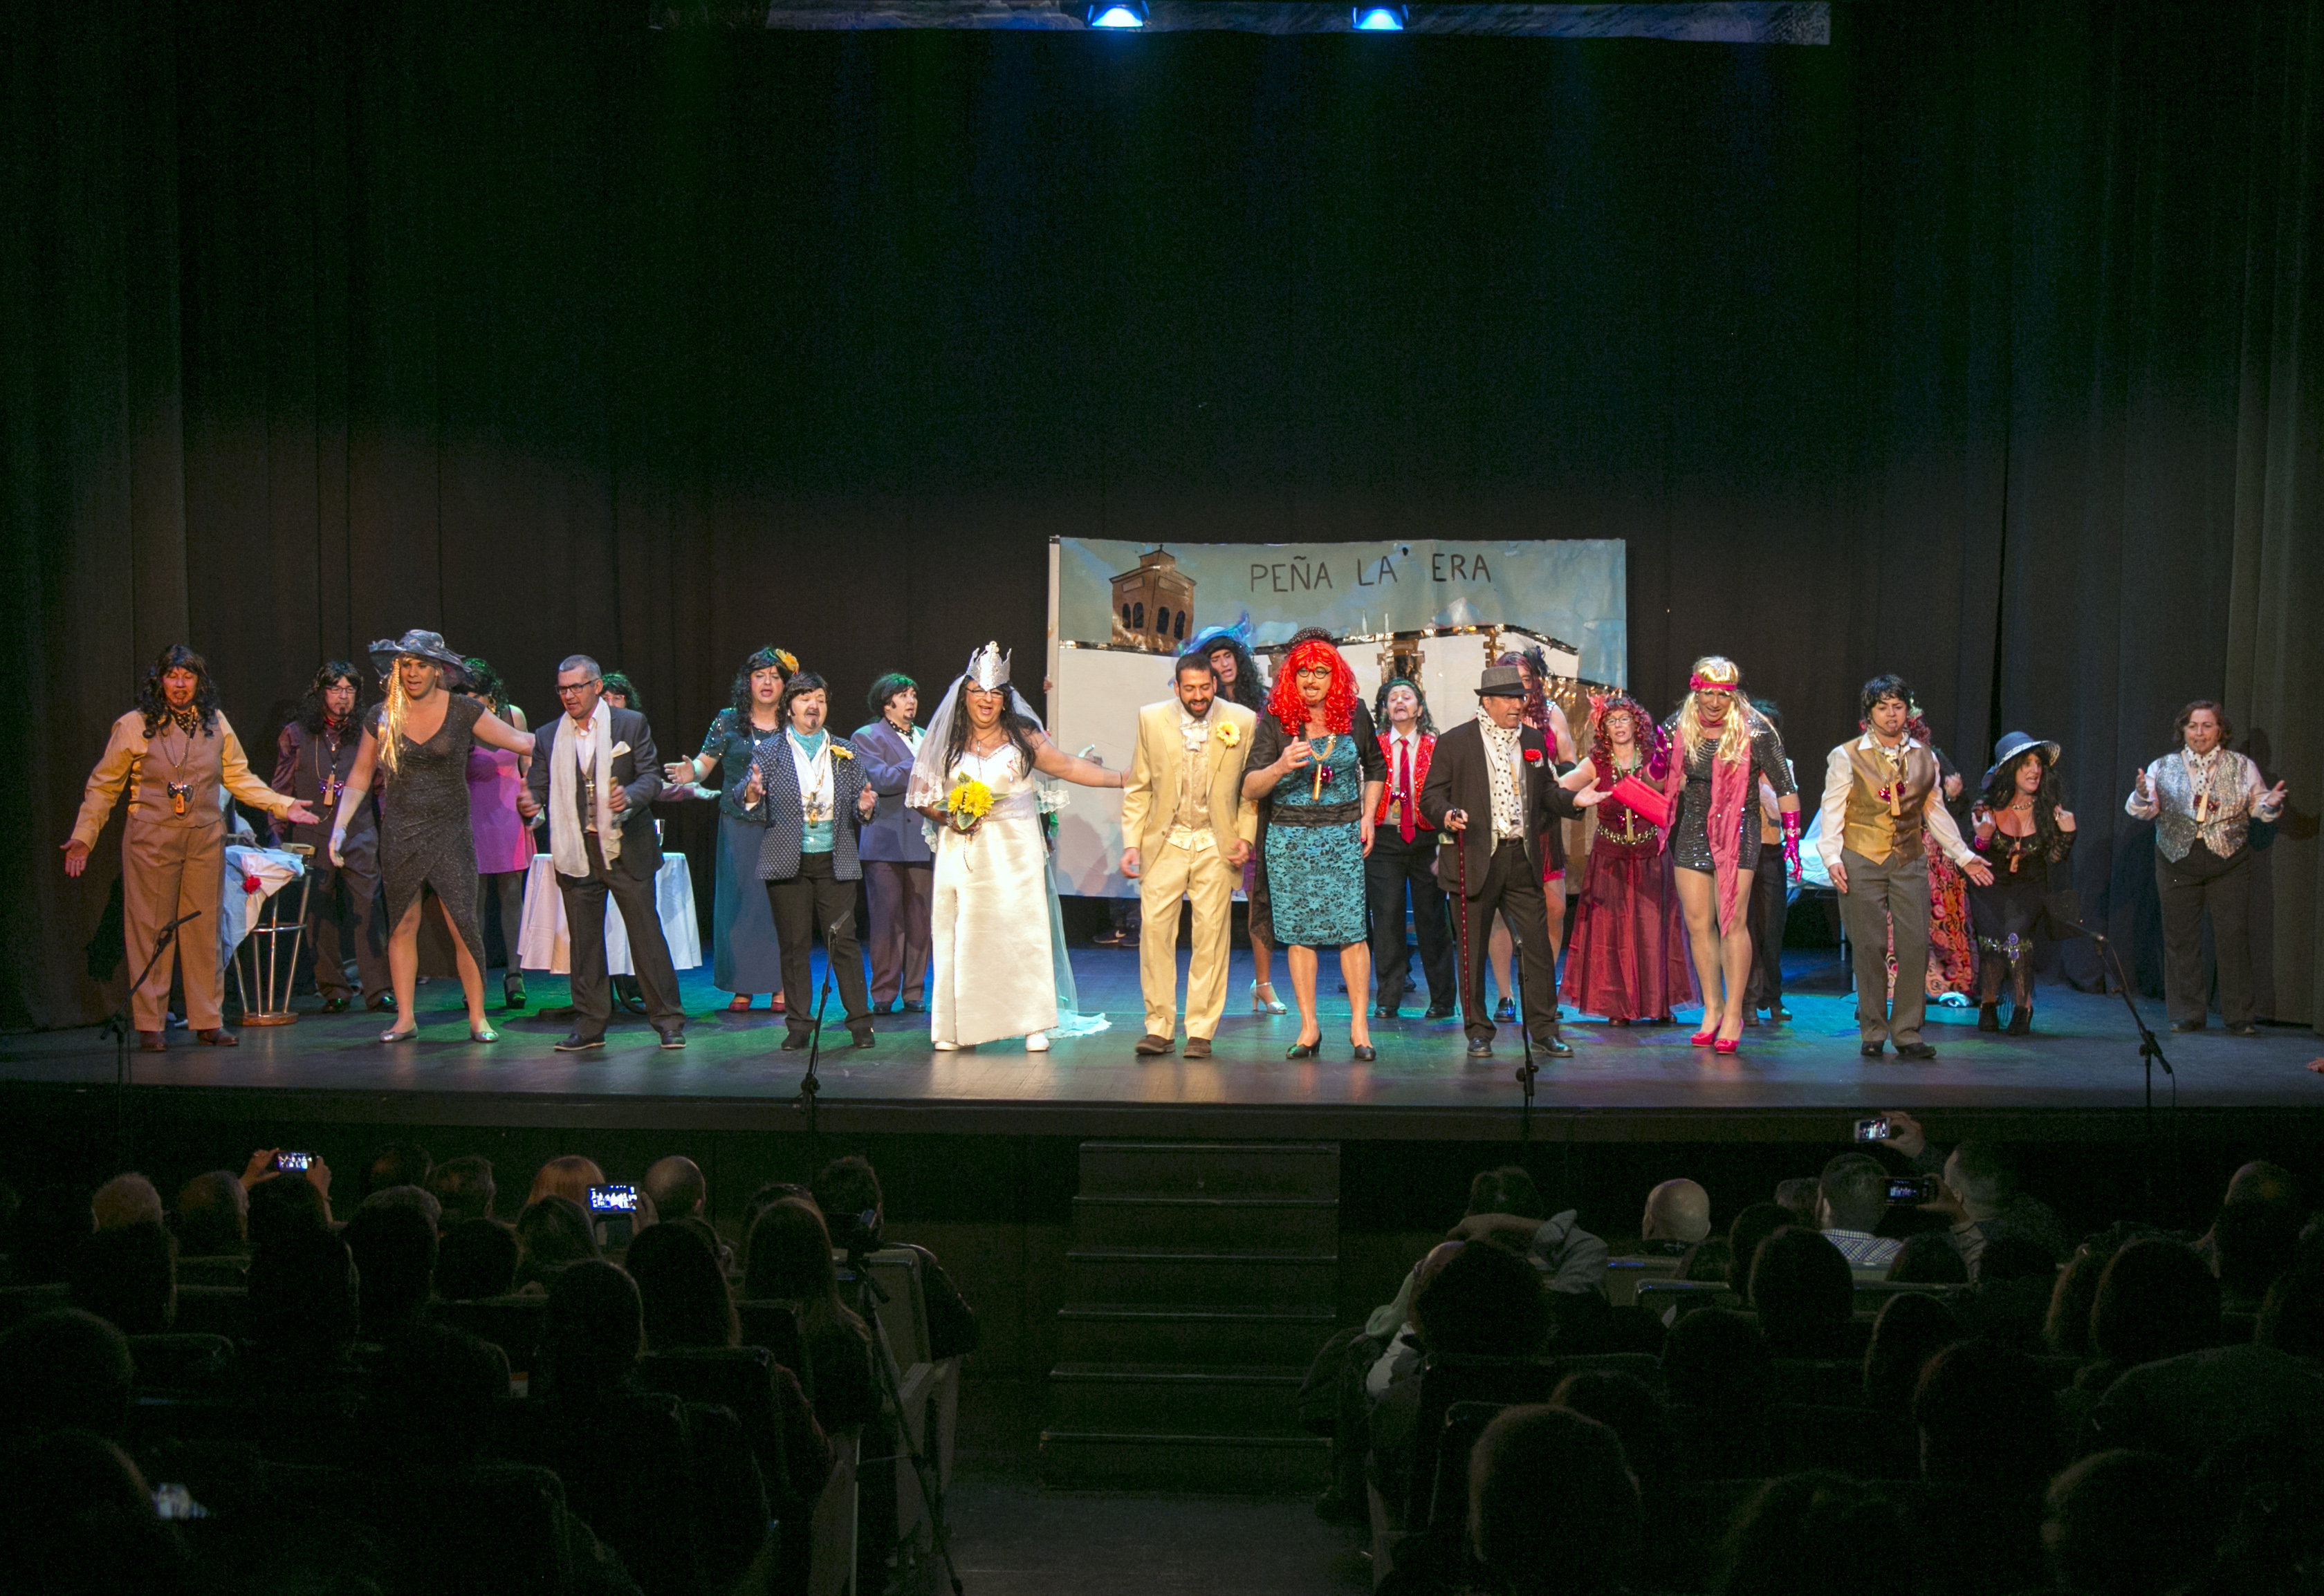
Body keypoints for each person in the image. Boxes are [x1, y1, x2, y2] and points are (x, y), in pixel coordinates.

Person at [64, 644, 318, 1050]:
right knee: (150, 929)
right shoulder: (134, 725)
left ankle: (207, 1019)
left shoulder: (214, 723)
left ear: (199, 682)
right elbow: (103, 787)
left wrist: (282, 805)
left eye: (188, 677)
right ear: (159, 681)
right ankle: (150, 1024)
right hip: (151, 838)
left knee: (204, 930)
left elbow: (238, 776)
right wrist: (84, 836)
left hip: (203, 837)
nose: (180, 685)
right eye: (172, 676)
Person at [909, 644, 1122, 1050]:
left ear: (1005, 699)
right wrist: (947, 816)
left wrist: (1122, 779)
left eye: (995, 692)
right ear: (965, 695)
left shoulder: (1022, 735)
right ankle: (958, 1028)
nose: (986, 699)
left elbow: (1067, 766)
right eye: (978, 691)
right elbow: (921, 794)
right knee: (966, 934)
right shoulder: (947, 739)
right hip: (964, 850)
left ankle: (1033, 1023)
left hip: (1015, 849)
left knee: (1022, 930)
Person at [329, 631, 535, 1043]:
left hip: (451, 832)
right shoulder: (382, 715)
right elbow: (360, 775)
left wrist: (576, 740)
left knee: (463, 925)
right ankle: (405, 1018)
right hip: (401, 832)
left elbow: (523, 742)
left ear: (439, 670)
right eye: (406, 664)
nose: (413, 672)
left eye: (421, 664)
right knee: (403, 924)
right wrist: (340, 826)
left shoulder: (462, 710)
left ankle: (478, 1017)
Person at [1421, 663, 1606, 1059]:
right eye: (1508, 699)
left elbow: (1546, 794)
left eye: (1520, 697)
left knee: (1537, 946)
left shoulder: (1533, 739)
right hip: (1475, 856)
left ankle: (1544, 1029)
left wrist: (1573, 800)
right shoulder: (1456, 742)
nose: (1517, 705)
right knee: (1472, 952)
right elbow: (1431, 797)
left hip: (1521, 857)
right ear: (1487, 702)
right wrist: (1448, 814)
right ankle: (1478, 1030)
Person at [1816, 673, 1991, 1060]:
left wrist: (1963, 855)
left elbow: (1935, 811)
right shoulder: (1847, 755)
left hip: (1909, 857)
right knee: (1870, 945)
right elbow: (1833, 809)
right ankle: (1873, 1029)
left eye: (1898, 707)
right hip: (1862, 856)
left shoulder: (1925, 756)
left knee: (1914, 945)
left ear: (1907, 711)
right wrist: (1832, 858)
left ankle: (1907, 1031)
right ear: (1870, 713)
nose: (1892, 715)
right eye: (1883, 708)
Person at [517, 654, 685, 1052]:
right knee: (585, 943)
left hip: (626, 846)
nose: (569, 696)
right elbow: (537, 787)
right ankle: (590, 1024)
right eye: (562, 689)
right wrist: (530, 802)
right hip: (576, 849)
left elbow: (650, 777)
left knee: (646, 937)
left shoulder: (630, 724)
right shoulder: (548, 736)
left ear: (596, 687)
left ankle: (668, 1021)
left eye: (576, 687)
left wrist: (629, 797)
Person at [1242, 635, 1387, 1059]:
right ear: (1291, 676)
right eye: (1303, 672)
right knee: (1297, 934)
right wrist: (1280, 765)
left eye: (1321, 672)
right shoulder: (1276, 718)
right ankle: (1309, 1029)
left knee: (1352, 931)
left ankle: (1359, 1028)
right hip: (1289, 841)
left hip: (1342, 838)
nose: (1311, 680)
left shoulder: (1354, 713)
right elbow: (1249, 786)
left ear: (1334, 677)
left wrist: (1367, 816)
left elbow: (1376, 767)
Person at [1119, 650, 1260, 1059]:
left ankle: (1200, 1030)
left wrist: (1245, 838)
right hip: (1166, 841)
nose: (1198, 696)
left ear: (1215, 684)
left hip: (1216, 843)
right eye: (1189, 689)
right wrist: (1132, 843)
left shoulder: (1242, 720)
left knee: (1211, 937)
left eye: (1204, 688)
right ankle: (1159, 1028)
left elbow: (1248, 792)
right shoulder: (1151, 719)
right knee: (1154, 935)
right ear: (1177, 687)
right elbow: (1140, 787)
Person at [1662, 656, 1799, 1055]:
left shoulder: (1756, 730)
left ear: (1734, 695)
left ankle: (1735, 1012)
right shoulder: (1678, 725)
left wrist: (1791, 840)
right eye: (1707, 693)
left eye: (1722, 695)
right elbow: (1659, 773)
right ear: (1696, 691)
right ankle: (1713, 1008)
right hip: (1694, 829)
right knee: (1697, 922)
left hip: (1740, 828)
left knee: (1732, 921)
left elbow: (1785, 786)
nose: (1714, 702)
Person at [2125, 698, 2287, 1034]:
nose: (2199, 733)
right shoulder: (2163, 766)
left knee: (2233, 937)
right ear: (2183, 730)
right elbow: (2144, 809)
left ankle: (2239, 1017)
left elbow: (2259, 807)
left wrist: (2270, 804)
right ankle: (2188, 1013)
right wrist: (2141, 794)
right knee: (2180, 938)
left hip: (2228, 861)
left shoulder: (2242, 766)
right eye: (2193, 726)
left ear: (2220, 731)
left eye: (2207, 726)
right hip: (2176, 860)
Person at [740, 670, 879, 1051]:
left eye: (819, 698)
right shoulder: (770, 750)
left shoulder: (844, 750)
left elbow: (862, 803)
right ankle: (799, 1025)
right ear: (790, 708)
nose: (813, 705)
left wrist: (866, 807)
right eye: (804, 698)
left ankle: (860, 1023)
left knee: (844, 942)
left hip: (835, 859)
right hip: (788, 861)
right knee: (794, 944)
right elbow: (746, 796)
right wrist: (752, 792)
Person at [665, 646, 794, 1015]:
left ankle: (781, 984)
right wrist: (691, 773)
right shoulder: (728, 720)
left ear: (785, 684)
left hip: (783, 825)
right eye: (760, 676)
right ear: (747, 682)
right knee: (741, 904)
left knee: (780, 904)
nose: (767, 682)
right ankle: (743, 985)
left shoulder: (794, 721)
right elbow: (705, 764)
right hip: (738, 823)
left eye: (775, 676)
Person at [1558, 691, 1695, 1025]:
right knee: (1612, 933)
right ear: (1602, 727)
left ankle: (1659, 1004)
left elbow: (1683, 783)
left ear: (1637, 724)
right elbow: (1560, 787)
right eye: (1611, 720)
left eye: (1624, 719)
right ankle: (1617, 1006)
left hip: (1651, 856)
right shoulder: (1596, 763)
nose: (1619, 725)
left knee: (1654, 930)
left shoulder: (1653, 758)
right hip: (1610, 859)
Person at [272, 661, 389, 1012]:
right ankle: (334, 989)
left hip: (359, 831)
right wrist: (277, 837)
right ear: (321, 693)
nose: (343, 697)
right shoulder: (296, 734)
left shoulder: (370, 732)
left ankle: (378, 990)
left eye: (350, 690)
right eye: (335, 689)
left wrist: (390, 829)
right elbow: (281, 788)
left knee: (368, 907)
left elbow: (381, 787)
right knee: (317, 912)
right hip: (311, 831)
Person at [1484, 648, 1578, 1023]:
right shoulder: (1488, 717)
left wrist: (1555, 774)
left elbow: (1570, 761)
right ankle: (1506, 995)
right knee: (1500, 914)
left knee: (1554, 909)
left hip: (1542, 825)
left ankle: (1541, 989)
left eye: (1526, 679)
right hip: (1502, 824)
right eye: (1513, 680)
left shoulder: (1550, 713)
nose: (1521, 687)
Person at [1963, 730, 2078, 1034]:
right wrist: (1983, 839)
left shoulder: (2047, 808)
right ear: (2010, 769)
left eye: (2038, 763)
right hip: (1989, 886)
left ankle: (2022, 1006)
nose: (2035, 770)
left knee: (2015, 938)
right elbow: (1970, 857)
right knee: (1991, 941)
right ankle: (1988, 1003)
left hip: (2028, 887)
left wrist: (2068, 834)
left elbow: (2054, 860)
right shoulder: (1986, 807)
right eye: (2026, 763)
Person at [1195, 627, 1283, 1013]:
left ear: (1239, 660)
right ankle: (1205, 992)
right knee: (1210, 904)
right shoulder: (1201, 706)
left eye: (1227, 656)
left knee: (1259, 901)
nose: (1223, 664)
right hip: (1212, 812)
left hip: (1257, 810)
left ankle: (1263, 984)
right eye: (1214, 660)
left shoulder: (1264, 702)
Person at [1365, 677, 1456, 1020]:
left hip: (1426, 838)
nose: (1400, 702)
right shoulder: (1374, 745)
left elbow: (1448, 795)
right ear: (1385, 709)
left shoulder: (1436, 746)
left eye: (1407, 697)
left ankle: (1443, 1000)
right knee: (1386, 918)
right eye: (1393, 698)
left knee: (1432, 919)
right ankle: (1388, 997)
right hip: (1385, 838)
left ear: (1419, 708)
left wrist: (1445, 844)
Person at [852, 671, 934, 1015]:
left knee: (920, 919)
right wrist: (920, 762)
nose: (911, 701)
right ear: (887, 704)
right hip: (885, 840)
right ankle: (884, 992)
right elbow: (880, 779)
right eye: (903, 695)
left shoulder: (926, 736)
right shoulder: (867, 736)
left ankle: (914, 990)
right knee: (886, 919)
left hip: (922, 839)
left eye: (913, 695)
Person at [461, 656, 533, 1010]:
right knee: (473, 900)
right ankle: (474, 979)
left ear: (490, 694)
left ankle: (514, 975)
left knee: (511, 895)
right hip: (473, 813)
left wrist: (533, 800)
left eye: (475, 694)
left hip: (509, 814)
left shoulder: (512, 715)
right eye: (464, 694)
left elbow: (528, 763)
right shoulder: (458, 721)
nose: (469, 701)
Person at [1742, 697, 1793, 1023]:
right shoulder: (1734, 762)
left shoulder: (1783, 766)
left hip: (1771, 853)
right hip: (1741, 854)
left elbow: (1780, 811)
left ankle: (1772, 997)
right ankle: (1747, 1001)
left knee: (1771, 929)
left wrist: (1761, 782)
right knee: (1743, 929)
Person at [1814, 1152, 1899, 1271]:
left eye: (1818, 1196)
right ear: (1883, 1210)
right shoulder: (1900, 1256)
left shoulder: (1800, 1252)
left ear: (1826, 1207)